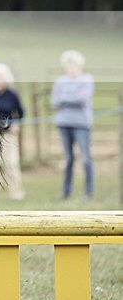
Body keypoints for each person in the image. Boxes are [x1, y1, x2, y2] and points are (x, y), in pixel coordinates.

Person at [50, 50, 94, 199]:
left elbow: (82, 99)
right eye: (68, 65)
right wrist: (73, 96)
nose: (71, 68)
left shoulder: (87, 79)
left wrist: (64, 98)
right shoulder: (60, 81)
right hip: (63, 123)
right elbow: (54, 101)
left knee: (85, 158)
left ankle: (88, 191)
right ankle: (66, 191)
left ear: (79, 65)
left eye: (73, 64)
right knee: (68, 159)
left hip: (82, 124)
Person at [0, 63, 25, 200]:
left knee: (11, 163)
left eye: (2, 77)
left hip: (9, 135)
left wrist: (16, 123)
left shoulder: (12, 95)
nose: (0, 80)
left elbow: (20, 112)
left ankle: (16, 192)